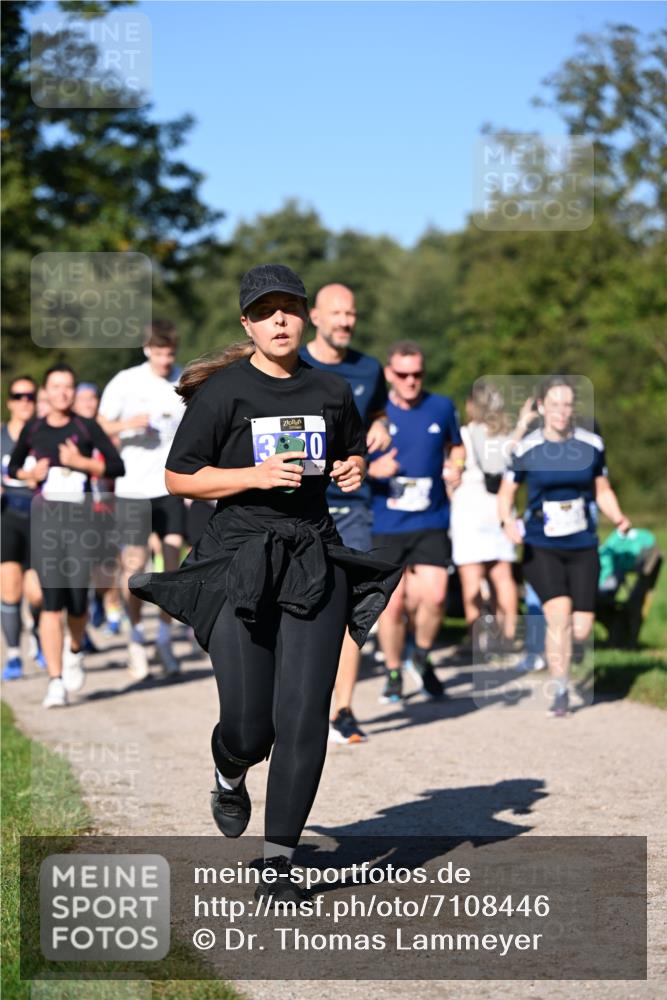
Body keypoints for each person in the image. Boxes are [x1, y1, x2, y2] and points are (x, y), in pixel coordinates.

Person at [129, 264, 401, 902]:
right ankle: (230, 770)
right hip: (239, 560)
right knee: (252, 729)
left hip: (312, 556)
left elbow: (351, 452)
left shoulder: (332, 389)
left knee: (303, 716)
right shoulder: (224, 394)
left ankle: (279, 862)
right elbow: (179, 477)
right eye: (265, 311)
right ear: (246, 324)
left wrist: (352, 469)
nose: (279, 319)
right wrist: (253, 476)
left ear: (303, 317)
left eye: (289, 308)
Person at [498, 375, 631, 717]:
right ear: (542, 407)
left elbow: (602, 489)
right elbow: (506, 494)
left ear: (574, 408)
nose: (561, 411)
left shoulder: (591, 444)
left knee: (581, 628)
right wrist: (508, 522)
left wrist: (618, 517)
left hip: (582, 543)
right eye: (554, 404)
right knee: (558, 614)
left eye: (567, 404)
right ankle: (560, 691)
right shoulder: (527, 448)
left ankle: (565, 659)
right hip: (541, 544)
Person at [300, 283, 391, 744]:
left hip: (353, 504)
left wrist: (381, 425)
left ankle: (343, 710)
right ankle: (293, 703)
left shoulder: (369, 368)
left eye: (350, 313)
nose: (344, 321)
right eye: (336, 313)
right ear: (315, 317)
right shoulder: (293, 364)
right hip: (300, 503)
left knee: (351, 604)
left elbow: (378, 412)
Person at [8, 364, 125, 708]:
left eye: (68, 387)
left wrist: (82, 463)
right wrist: (30, 474)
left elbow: (117, 467)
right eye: (56, 387)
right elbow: (13, 467)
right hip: (46, 520)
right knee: (51, 601)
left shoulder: (86, 426)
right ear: (46, 391)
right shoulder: (34, 428)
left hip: (81, 521)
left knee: (76, 600)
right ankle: (55, 681)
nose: (63, 393)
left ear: (74, 392)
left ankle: (75, 650)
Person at [369, 341, 465, 702]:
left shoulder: (441, 406)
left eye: (417, 374)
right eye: (403, 374)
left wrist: (456, 467)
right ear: (389, 374)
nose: (411, 381)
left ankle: (421, 657)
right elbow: (348, 460)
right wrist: (373, 469)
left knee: (436, 596)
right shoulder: (375, 414)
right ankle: (394, 671)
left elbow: (457, 447)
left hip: (431, 517)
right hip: (387, 522)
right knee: (392, 604)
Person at [98, 321, 186, 679]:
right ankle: (136, 638)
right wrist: (128, 424)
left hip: (170, 487)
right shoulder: (126, 381)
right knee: (135, 567)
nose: (165, 361)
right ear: (147, 350)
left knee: (173, 566)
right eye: (159, 354)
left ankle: (164, 639)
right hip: (132, 488)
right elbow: (99, 425)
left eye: (170, 354)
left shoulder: (183, 379)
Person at [450, 382, 519, 649]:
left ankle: (476, 640)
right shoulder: (508, 436)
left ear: (472, 405)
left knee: (472, 579)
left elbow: (453, 473)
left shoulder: (464, 435)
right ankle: (508, 636)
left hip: (469, 508)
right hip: (501, 508)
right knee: (503, 577)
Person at [1, 375, 44, 679]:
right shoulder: (1, 437)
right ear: (9, 402)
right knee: (10, 589)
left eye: (30, 396)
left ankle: (40, 632)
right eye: (19, 396)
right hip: (7, 516)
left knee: (37, 593)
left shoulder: (45, 435)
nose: (25, 401)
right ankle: (14, 655)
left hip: (40, 516)